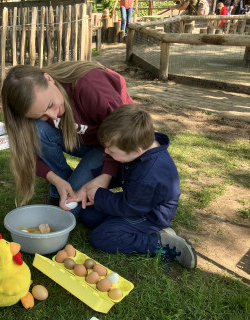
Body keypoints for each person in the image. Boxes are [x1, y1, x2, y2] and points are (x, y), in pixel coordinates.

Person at [1, 61, 134, 217]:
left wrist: (105, 177)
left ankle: (106, 178)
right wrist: (57, 181)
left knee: (73, 209)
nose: (53, 116)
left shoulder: (90, 85)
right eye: (42, 116)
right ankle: (62, 186)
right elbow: (28, 155)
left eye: (50, 105)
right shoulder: (33, 108)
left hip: (116, 146)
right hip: (84, 140)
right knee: (37, 130)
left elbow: (125, 134)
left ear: (49, 79)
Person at [78, 105, 197, 269]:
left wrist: (99, 195)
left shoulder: (148, 174)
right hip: (138, 202)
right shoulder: (140, 146)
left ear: (136, 150)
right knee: (88, 216)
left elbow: (129, 207)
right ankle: (133, 229)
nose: (106, 151)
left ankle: (160, 242)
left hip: (150, 215)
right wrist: (100, 185)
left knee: (101, 237)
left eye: (112, 151)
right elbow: (125, 177)